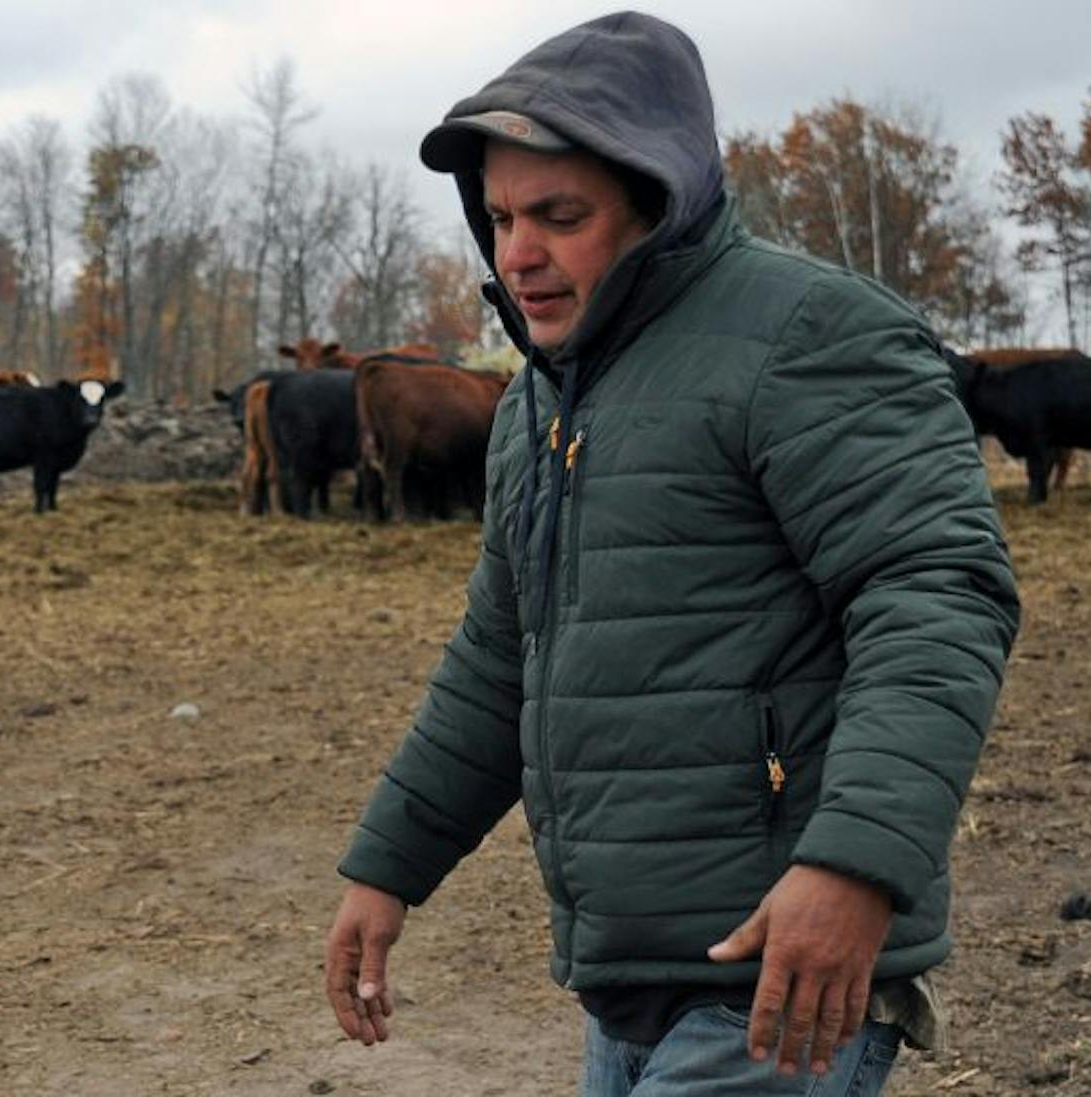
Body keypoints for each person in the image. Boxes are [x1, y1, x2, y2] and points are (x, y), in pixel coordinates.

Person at [322, 12, 1022, 1095]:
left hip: (784, 972)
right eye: (501, 216)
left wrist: (853, 864)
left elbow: (937, 592)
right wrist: (387, 865)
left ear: (660, 199)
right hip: (632, 973)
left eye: (560, 214)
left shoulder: (809, 337)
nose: (519, 253)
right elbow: (500, 656)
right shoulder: (537, 403)